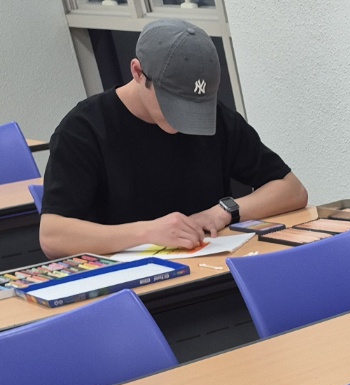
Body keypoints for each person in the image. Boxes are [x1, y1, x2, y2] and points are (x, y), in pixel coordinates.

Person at [38, 19, 306, 258]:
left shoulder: (218, 119)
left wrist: (223, 211)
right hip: (130, 283)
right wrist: (148, 232)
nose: (185, 119)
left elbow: (292, 189)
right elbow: (53, 236)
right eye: (174, 104)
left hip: (211, 268)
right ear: (137, 72)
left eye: (195, 106)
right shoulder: (84, 130)